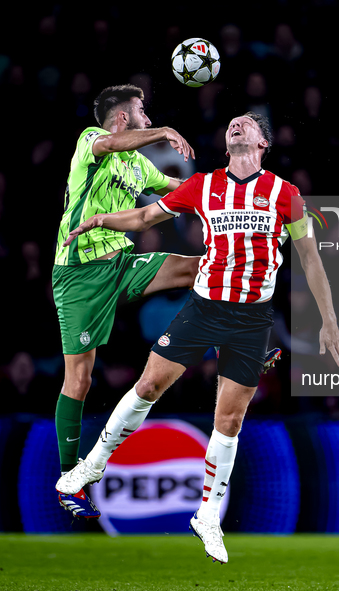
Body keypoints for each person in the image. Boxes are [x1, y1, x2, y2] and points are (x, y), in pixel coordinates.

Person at [55, 112, 339, 564]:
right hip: (204, 308)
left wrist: (329, 319)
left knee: (228, 421)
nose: (237, 125)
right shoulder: (204, 185)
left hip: (252, 319)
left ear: (262, 143)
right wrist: (101, 220)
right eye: (232, 122)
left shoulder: (285, 195)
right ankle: (90, 467)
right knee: (149, 385)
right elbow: (145, 216)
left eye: (247, 123)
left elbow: (311, 259)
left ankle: (207, 516)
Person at [52, 84, 202, 519]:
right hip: (79, 273)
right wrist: (165, 131)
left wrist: (229, 194)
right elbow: (114, 142)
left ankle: (240, 340)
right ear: (122, 116)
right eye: (141, 110)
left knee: (197, 267)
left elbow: (183, 189)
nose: (147, 115)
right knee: (78, 380)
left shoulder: (138, 165)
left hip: (121, 263)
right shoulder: (90, 141)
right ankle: (68, 481)